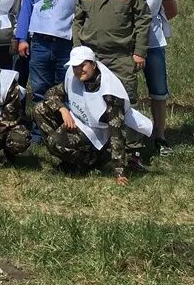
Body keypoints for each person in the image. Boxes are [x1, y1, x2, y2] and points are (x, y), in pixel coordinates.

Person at [33, 46, 152, 185]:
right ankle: (69, 158)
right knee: (40, 109)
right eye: (74, 66)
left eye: (83, 65)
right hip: (79, 121)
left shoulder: (110, 93)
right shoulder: (73, 76)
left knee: (55, 142)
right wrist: (63, 109)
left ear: (94, 65)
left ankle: (92, 160)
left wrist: (119, 172)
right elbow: (51, 94)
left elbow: (116, 134)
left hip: (99, 134)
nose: (78, 70)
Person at [14, 0, 86, 142]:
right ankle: (39, 133)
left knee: (65, 89)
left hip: (66, 41)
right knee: (39, 90)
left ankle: (65, 131)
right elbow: (26, 8)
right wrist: (22, 38)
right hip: (40, 42)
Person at [73, 0, 152, 104]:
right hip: (92, 57)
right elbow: (78, 21)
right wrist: (77, 49)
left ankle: (124, 129)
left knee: (124, 102)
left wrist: (140, 52)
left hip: (121, 57)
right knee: (92, 101)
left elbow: (143, 20)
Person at [122, 0, 177, 154]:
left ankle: (160, 136)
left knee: (158, 91)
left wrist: (150, 24)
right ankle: (126, 134)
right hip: (125, 43)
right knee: (124, 91)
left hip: (153, 43)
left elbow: (171, 10)